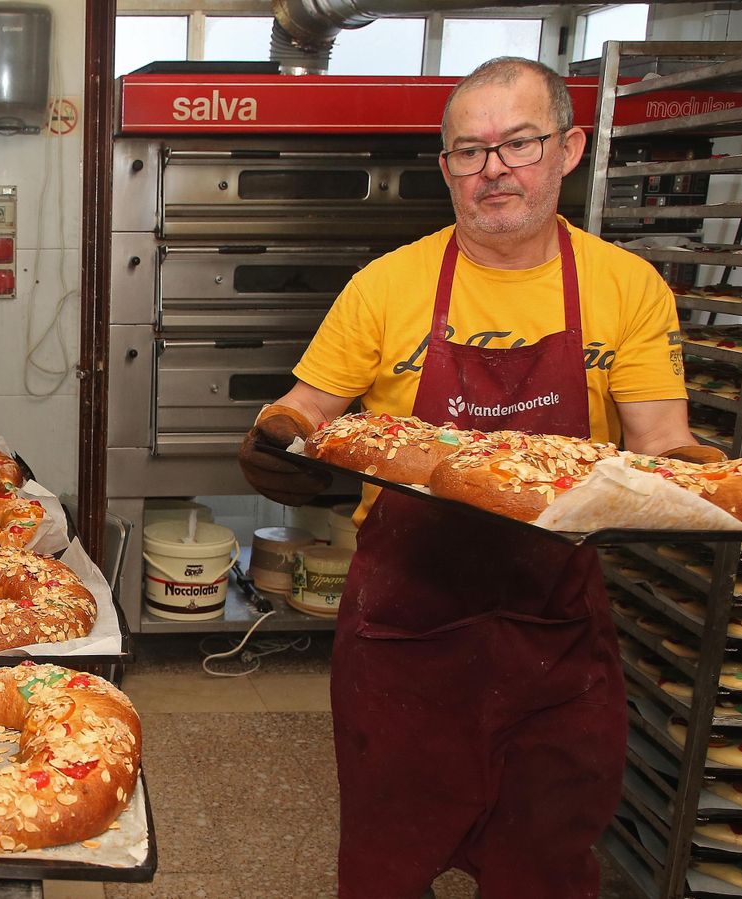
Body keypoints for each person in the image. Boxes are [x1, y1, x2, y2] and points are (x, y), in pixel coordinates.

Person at [238, 57, 717, 898]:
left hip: (555, 630)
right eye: (469, 151)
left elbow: (659, 440)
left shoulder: (627, 287)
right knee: (386, 864)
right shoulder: (388, 285)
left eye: (518, 143)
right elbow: (305, 406)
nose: (493, 168)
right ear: (447, 168)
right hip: (405, 634)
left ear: (568, 149)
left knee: (547, 861)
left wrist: (699, 486)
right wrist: (282, 441)